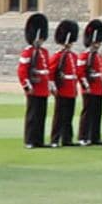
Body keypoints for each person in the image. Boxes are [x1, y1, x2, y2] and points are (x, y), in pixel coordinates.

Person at [18, 13, 52, 148]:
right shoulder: (28, 52)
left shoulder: (44, 52)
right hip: (34, 87)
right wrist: (27, 85)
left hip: (43, 88)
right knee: (32, 115)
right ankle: (30, 140)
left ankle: (39, 140)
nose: (41, 41)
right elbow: (22, 71)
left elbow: (46, 70)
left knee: (41, 115)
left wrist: (49, 84)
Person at [49, 20, 82, 148]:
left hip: (71, 88)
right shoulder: (58, 56)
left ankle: (67, 139)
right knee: (59, 116)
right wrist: (53, 87)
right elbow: (51, 73)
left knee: (69, 116)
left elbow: (76, 72)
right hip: (62, 89)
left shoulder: (73, 56)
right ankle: (55, 139)